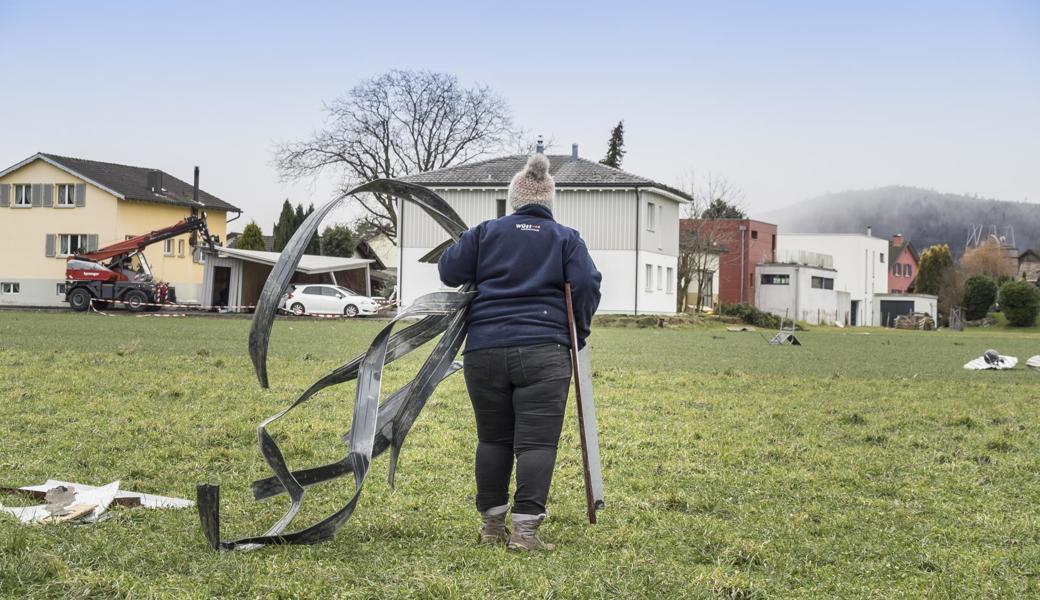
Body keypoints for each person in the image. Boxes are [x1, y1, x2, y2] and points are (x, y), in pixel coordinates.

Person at [438, 154, 602, 551]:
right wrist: (576, 332)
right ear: (549, 201)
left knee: (492, 439)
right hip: (545, 352)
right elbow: (586, 284)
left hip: (485, 350)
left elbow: (448, 270)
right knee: (536, 443)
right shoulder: (566, 238)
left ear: (513, 199)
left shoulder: (485, 232)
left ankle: (491, 528)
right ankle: (525, 534)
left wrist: (474, 247)